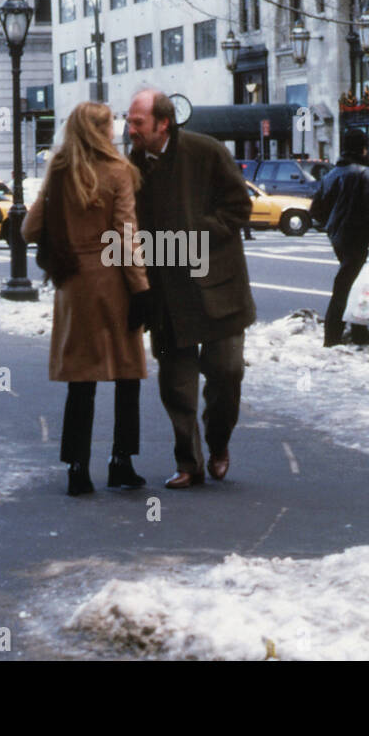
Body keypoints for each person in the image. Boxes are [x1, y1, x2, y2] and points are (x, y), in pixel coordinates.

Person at [126, 89, 255, 489]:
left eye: (138, 123)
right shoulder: (130, 166)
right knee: (177, 384)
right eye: (129, 122)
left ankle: (218, 443)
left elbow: (238, 208)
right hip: (166, 294)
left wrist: (193, 235)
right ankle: (189, 463)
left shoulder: (207, 152)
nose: (130, 130)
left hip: (219, 288)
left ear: (163, 123)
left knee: (226, 373)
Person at [23, 102, 152, 496]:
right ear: (100, 130)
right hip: (112, 282)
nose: (115, 129)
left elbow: (29, 229)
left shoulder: (59, 172)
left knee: (81, 380)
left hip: (73, 287)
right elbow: (126, 236)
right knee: (127, 373)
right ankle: (121, 462)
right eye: (110, 124)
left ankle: (77, 468)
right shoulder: (119, 171)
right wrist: (141, 287)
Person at [310, 129, 369, 348]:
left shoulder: (331, 174)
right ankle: (334, 336)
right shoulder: (365, 174)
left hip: (338, 238)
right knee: (345, 285)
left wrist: (331, 225)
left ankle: (358, 332)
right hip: (358, 236)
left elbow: (316, 210)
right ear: (363, 148)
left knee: (352, 282)